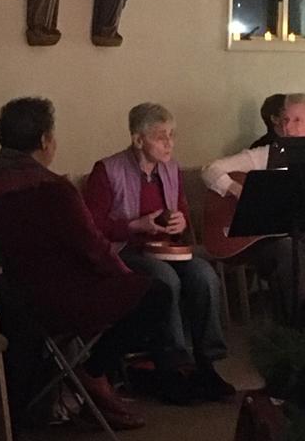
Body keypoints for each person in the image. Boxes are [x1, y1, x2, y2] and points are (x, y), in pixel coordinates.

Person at [0, 98, 196, 432]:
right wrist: (124, 277)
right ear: (46, 141)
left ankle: (86, 379)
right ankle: (92, 372)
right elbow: (92, 249)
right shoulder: (54, 189)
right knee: (156, 292)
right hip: (54, 300)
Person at [84, 103, 235, 401]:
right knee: (166, 279)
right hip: (125, 250)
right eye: (160, 136)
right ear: (138, 140)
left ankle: (207, 362)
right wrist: (136, 225)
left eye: (172, 135)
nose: (169, 143)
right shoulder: (107, 170)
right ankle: (172, 366)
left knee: (204, 274)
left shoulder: (170, 168)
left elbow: (180, 213)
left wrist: (181, 219)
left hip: (166, 249)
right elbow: (93, 227)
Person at [202, 93, 305, 326]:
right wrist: (235, 188)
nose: (288, 127)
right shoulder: (265, 155)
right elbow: (211, 170)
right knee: (287, 248)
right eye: (284, 120)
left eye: (296, 120)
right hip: (272, 246)